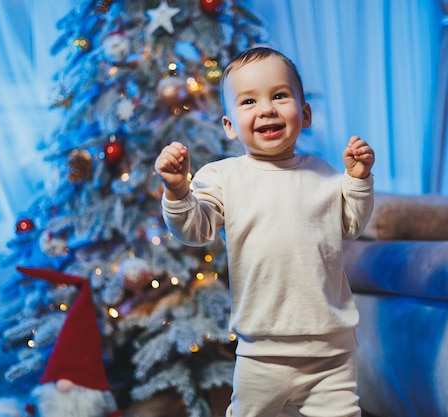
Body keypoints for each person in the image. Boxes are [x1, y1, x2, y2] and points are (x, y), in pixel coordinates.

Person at [154, 47, 375, 417]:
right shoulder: (222, 177)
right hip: (262, 350)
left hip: (330, 350)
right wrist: (178, 192)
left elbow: (351, 224)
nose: (267, 109)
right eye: (249, 101)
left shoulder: (322, 172)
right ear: (229, 126)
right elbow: (196, 230)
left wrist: (357, 179)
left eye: (279, 96)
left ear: (304, 114)